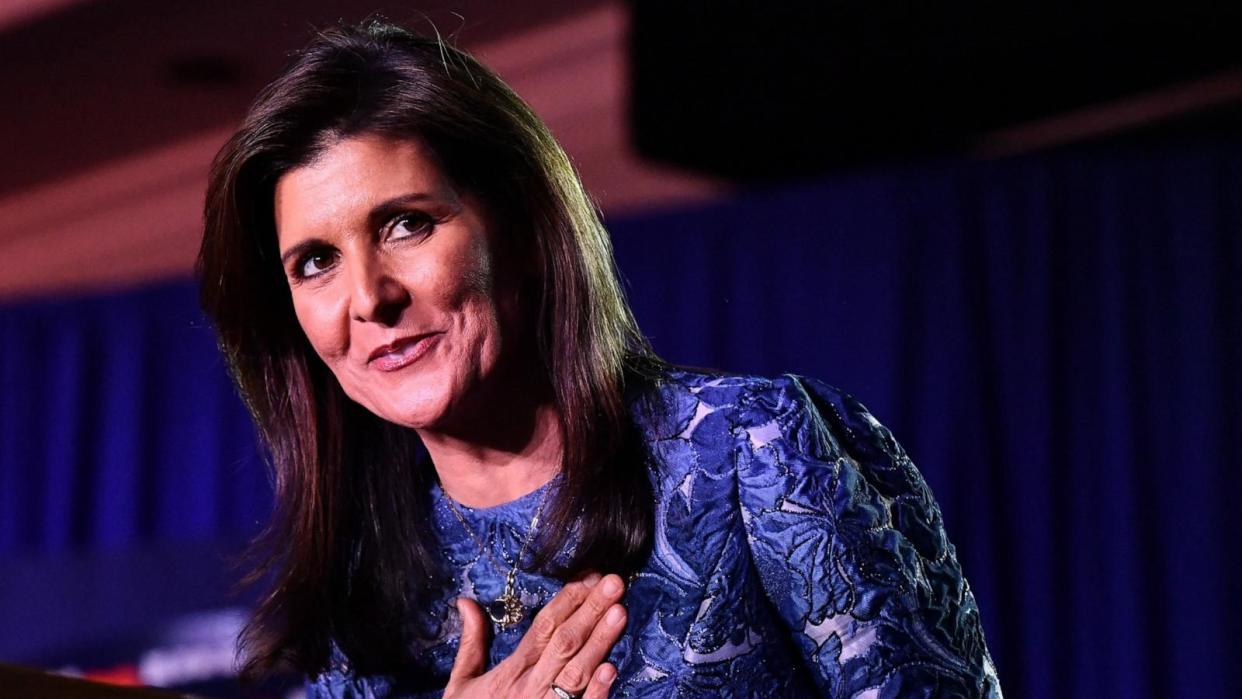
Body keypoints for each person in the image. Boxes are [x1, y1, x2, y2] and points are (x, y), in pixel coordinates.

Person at [198, 19, 1003, 699]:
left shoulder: (750, 451)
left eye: (406, 224)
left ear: (519, 226)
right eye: (314, 262)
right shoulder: (351, 607)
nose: (368, 297)